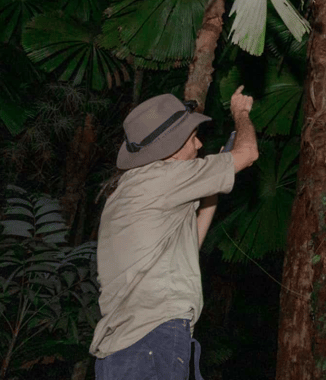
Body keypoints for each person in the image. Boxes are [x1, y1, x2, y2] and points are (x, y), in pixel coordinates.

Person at [89, 86, 259, 380]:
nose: (198, 144)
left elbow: (189, 246)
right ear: (170, 146)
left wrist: (212, 187)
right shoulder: (161, 179)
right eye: (192, 137)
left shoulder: (131, 190)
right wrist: (240, 114)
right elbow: (248, 153)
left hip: (123, 351)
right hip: (152, 340)